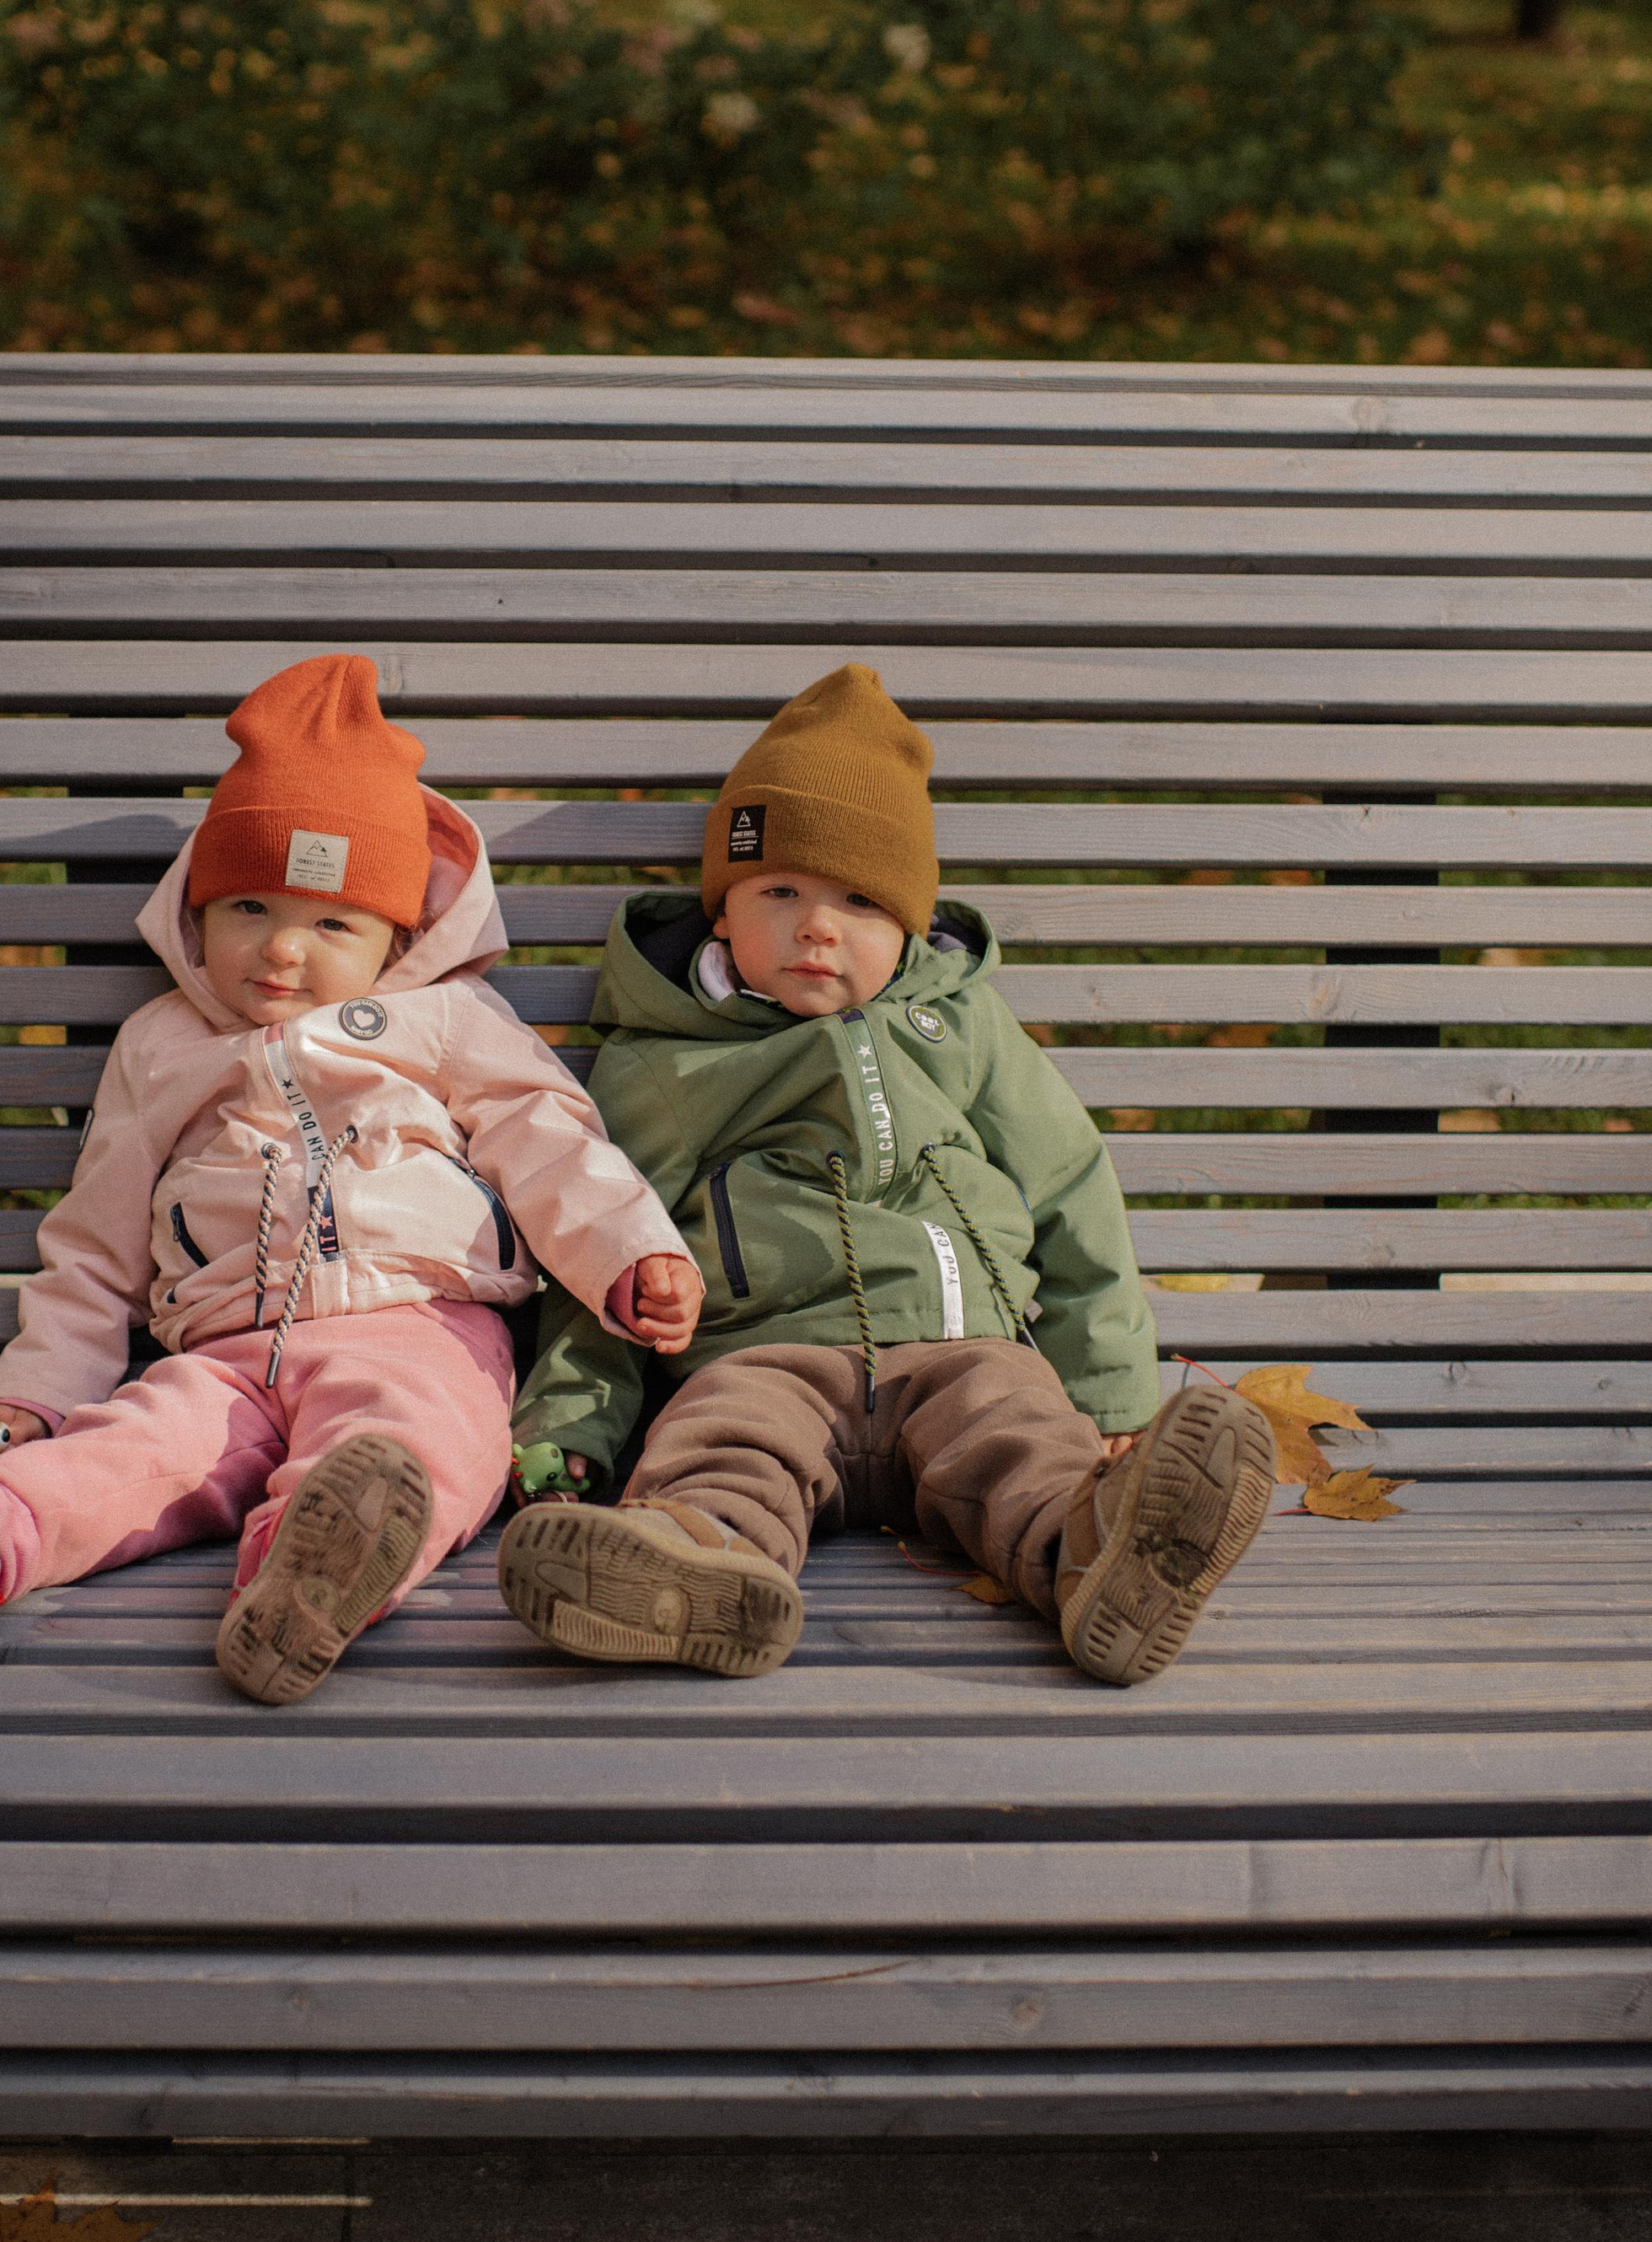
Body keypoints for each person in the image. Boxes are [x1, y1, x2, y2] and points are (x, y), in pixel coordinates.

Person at [0, 655, 700, 1705]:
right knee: (136, 1451)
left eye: (332, 922)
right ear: (198, 908)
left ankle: (303, 1583)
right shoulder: (162, 1043)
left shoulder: (445, 1020)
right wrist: (30, 1398)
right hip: (221, 1348)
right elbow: (94, 1244)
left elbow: (549, 1138)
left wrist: (629, 1251)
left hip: (420, 1324)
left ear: (399, 935)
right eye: (247, 906)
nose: (281, 951)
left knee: (414, 1444)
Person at [499, 662, 1273, 1687]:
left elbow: (1068, 1182)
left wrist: (1111, 1390)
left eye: (859, 901)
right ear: (724, 911)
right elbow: (603, 1248)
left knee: (1023, 1442)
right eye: (781, 892)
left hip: (963, 1350)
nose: (817, 926)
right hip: (764, 1356)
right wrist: (571, 1431)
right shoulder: (669, 1059)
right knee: (724, 1451)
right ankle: (694, 1568)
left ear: (908, 925)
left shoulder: (958, 1030)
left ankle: (1097, 1561)